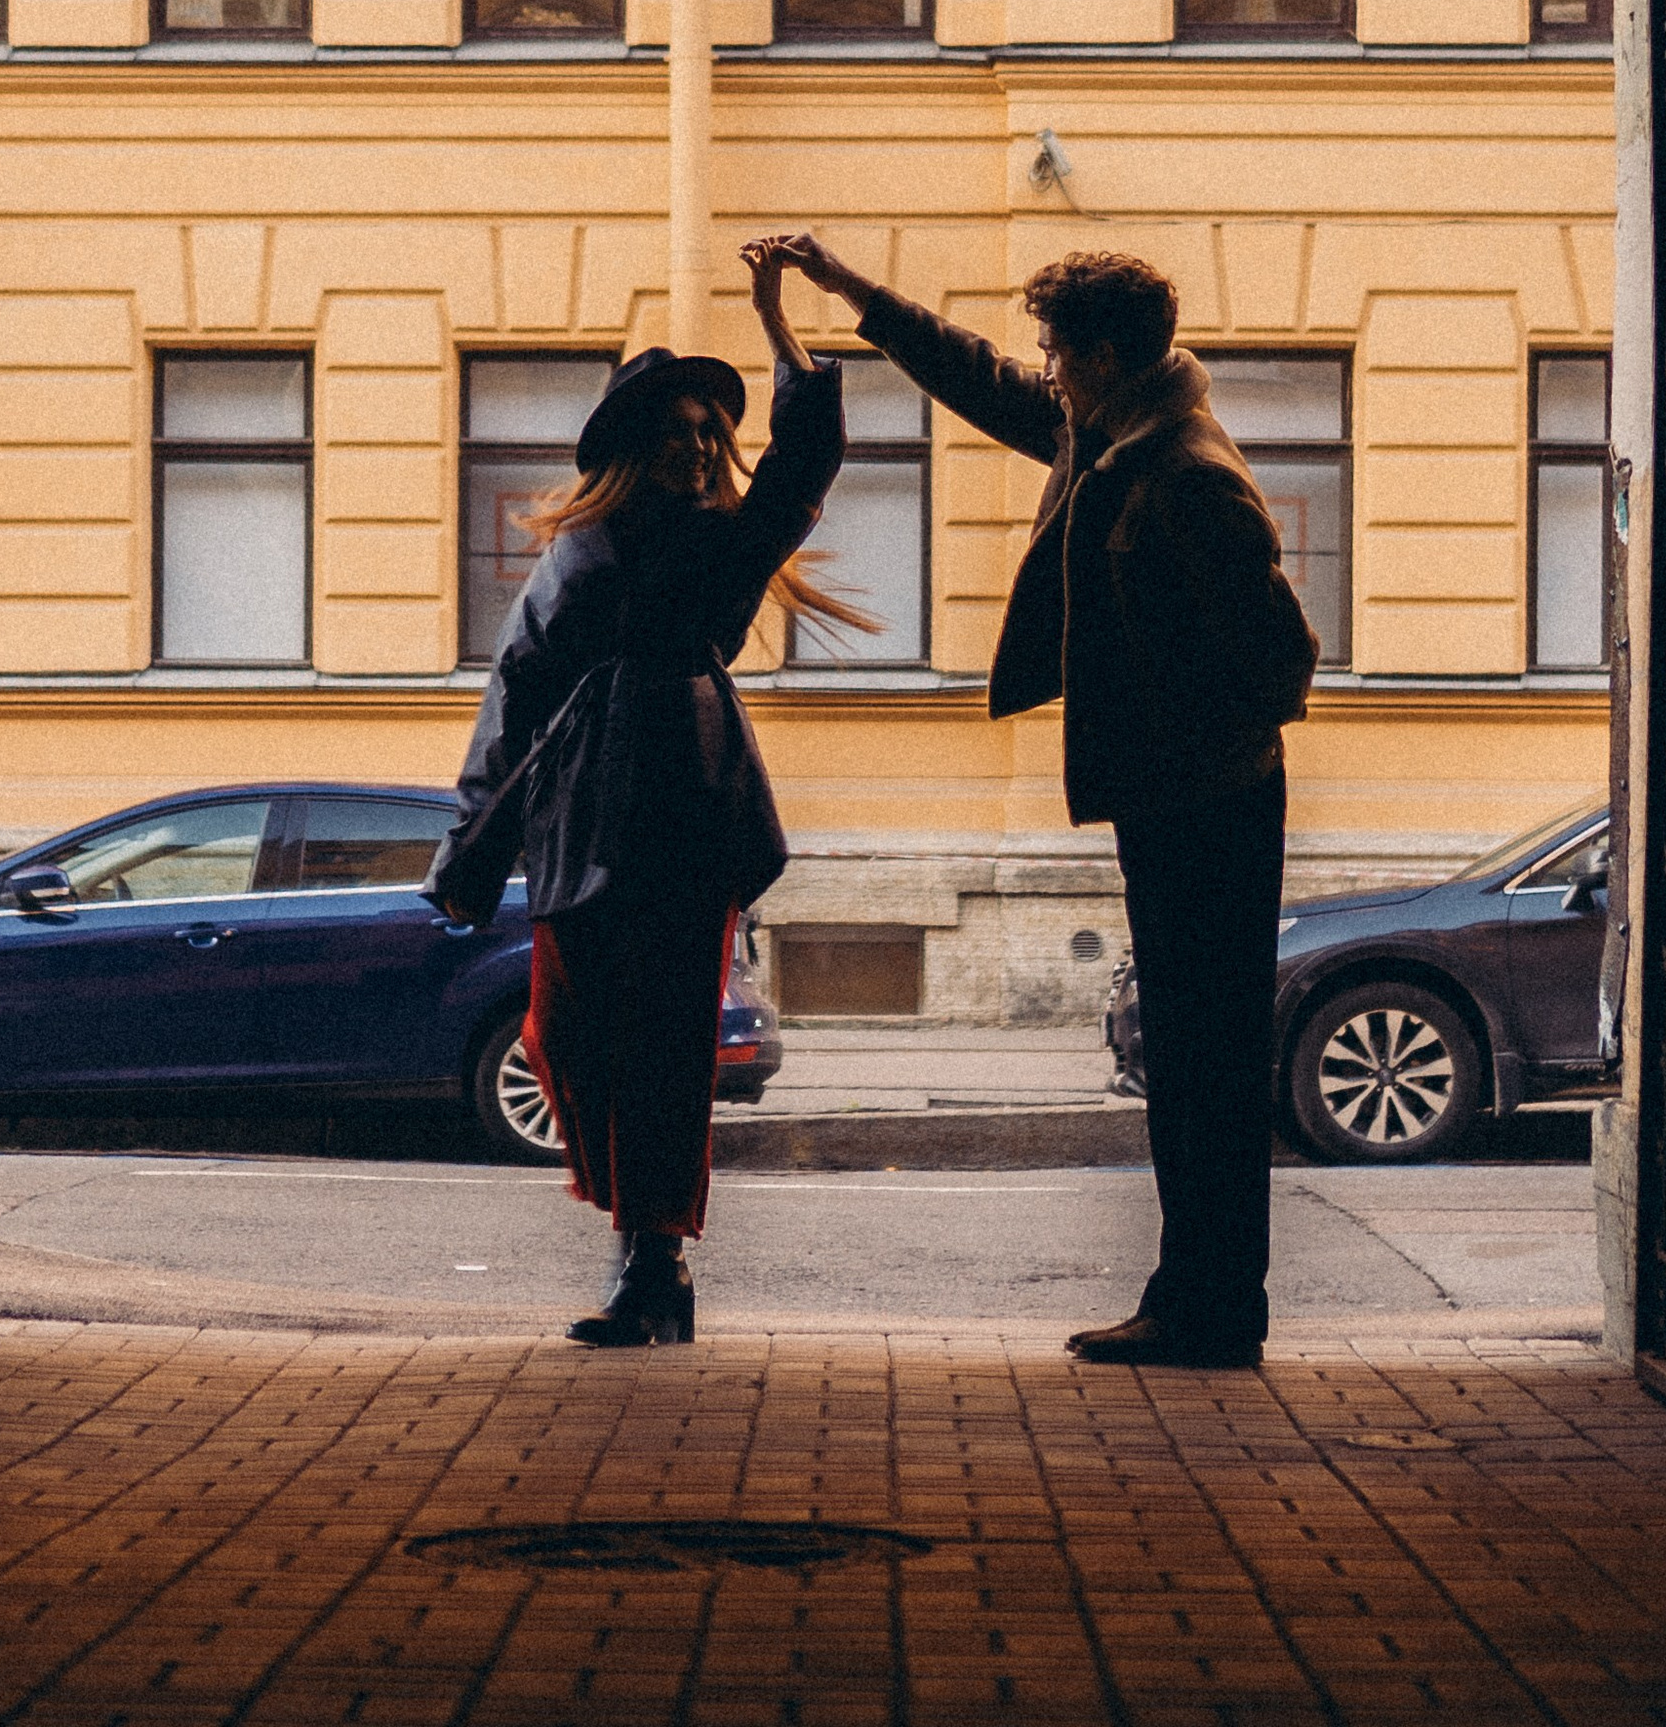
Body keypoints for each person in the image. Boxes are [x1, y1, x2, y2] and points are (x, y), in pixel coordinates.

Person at [749, 234, 1317, 1367]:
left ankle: (1209, 1309)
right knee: (1190, 1061)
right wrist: (850, 293)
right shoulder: (1112, 432)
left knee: (1205, 1066)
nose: (1044, 366)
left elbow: (1281, 659)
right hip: (1175, 797)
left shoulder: (1185, 475)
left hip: (1209, 803)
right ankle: (1196, 1300)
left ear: (1105, 355)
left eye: (1058, 348)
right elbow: (977, 376)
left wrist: (1175, 727)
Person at [426, 246, 870, 1344]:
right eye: (668, 434)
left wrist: (775, 323)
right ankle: (641, 1243)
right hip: (581, 810)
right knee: (559, 1035)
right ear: (629, 450)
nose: (688, 449)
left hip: (685, 800)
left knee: (664, 1047)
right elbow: (517, 690)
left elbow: (803, 461)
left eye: (701, 436)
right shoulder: (579, 549)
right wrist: (468, 839)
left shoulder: (728, 542)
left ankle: (651, 1263)